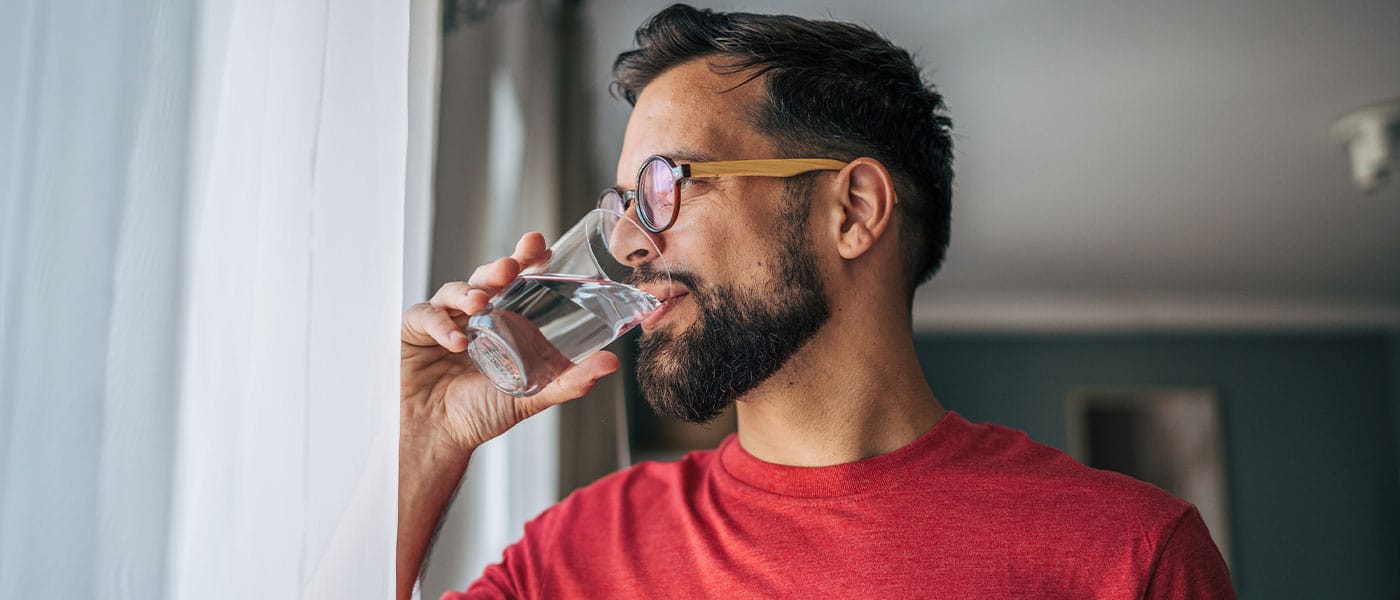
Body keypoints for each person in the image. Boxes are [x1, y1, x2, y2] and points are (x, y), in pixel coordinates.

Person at [399, 4, 1235, 598]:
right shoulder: (581, 551)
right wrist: (432, 435)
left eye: (665, 185)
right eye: (622, 207)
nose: (630, 246)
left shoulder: (1128, 557)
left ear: (853, 211)